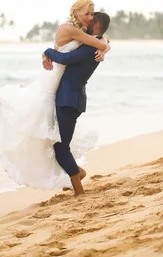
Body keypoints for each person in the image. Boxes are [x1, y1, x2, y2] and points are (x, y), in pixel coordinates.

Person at [0, 0, 110, 189]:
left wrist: (105, 46)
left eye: (92, 14)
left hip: (60, 80)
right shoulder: (69, 28)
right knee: (34, 106)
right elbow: (95, 42)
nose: (90, 17)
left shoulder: (82, 30)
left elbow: (99, 39)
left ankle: (0, 100)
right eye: (87, 13)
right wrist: (103, 46)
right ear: (75, 12)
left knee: (40, 113)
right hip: (55, 76)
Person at [42, 11, 111, 196]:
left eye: (91, 19)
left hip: (69, 99)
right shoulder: (95, 44)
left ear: (96, 26)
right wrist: (106, 45)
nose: (87, 21)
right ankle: (78, 174)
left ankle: (79, 191)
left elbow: (64, 59)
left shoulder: (90, 48)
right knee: (62, 146)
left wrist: (47, 51)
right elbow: (105, 40)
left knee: (61, 148)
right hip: (72, 98)